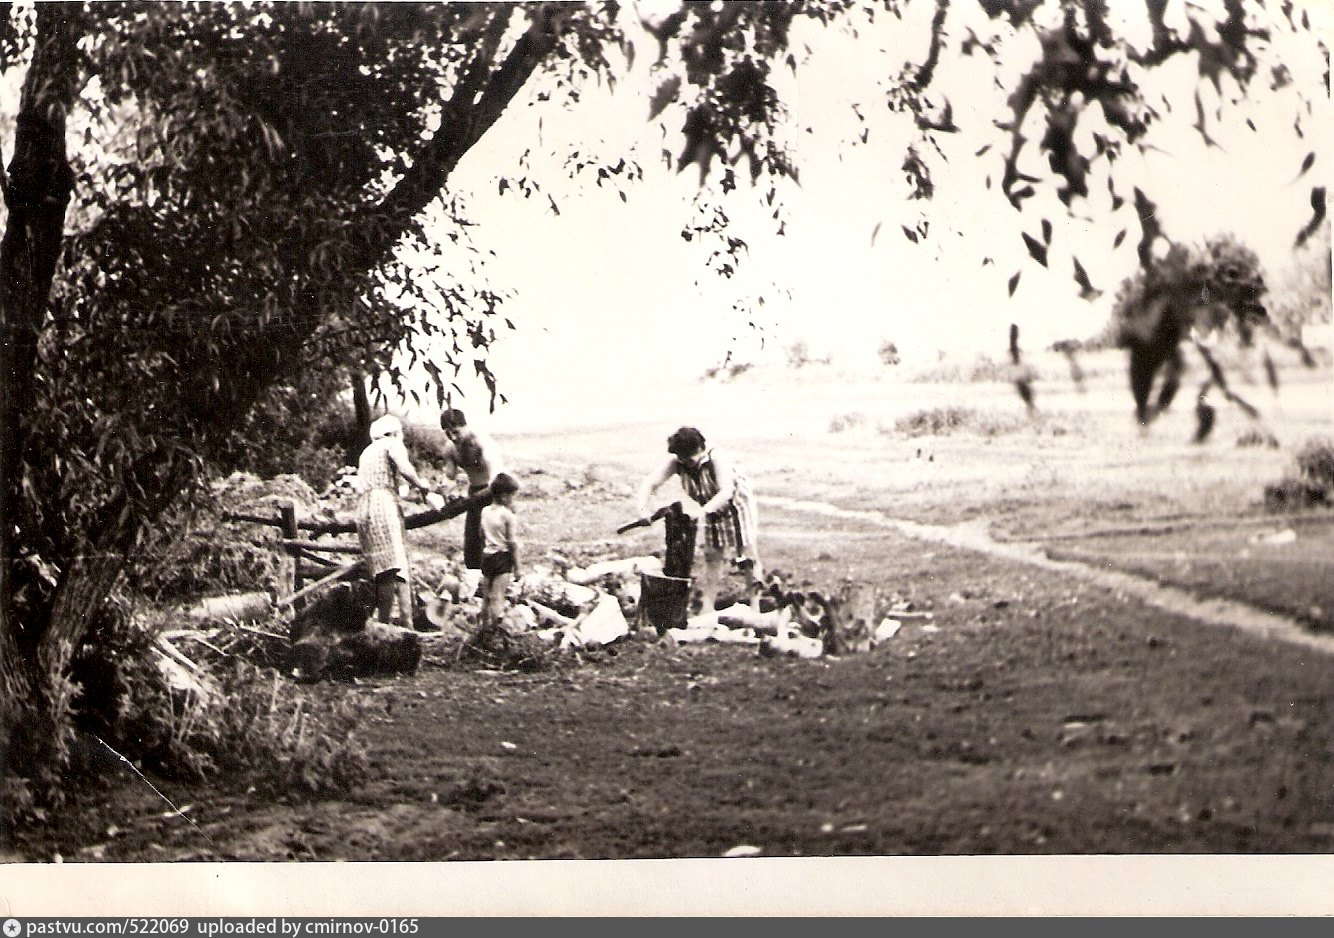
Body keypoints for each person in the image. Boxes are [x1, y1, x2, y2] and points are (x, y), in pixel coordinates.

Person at [636, 426, 764, 618]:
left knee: (746, 556)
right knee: (712, 556)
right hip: (711, 508)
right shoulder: (677, 463)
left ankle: (755, 609)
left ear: (700, 449)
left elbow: (726, 492)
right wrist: (642, 510)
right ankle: (707, 607)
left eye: (690, 458)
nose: (686, 464)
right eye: (682, 459)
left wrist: (702, 512)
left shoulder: (716, 459)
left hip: (735, 506)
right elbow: (650, 483)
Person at [355, 414, 438, 629]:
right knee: (390, 567)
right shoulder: (391, 444)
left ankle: (405, 622)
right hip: (382, 504)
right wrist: (422, 486)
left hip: (364, 507)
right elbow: (405, 468)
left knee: (387, 564)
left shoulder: (367, 452)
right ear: (393, 433)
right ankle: (384, 625)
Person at [439, 408, 507, 596]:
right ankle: (472, 586)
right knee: (472, 541)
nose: (453, 437)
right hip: (474, 491)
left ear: (465, 426)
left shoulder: (481, 442)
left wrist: (489, 498)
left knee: (494, 540)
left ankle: (496, 584)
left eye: (456, 431)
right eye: (448, 433)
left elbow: (497, 474)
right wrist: (447, 491)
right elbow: (450, 476)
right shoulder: (450, 448)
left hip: (493, 490)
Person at [478, 472, 521, 631]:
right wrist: (517, 567)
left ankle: (483, 630)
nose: (513, 500)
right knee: (497, 597)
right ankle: (496, 632)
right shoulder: (508, 516)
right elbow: (512, 543)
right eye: (512, 496)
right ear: (503, 496)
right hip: (502, 557)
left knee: (486, 597)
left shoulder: (485, 511)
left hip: (487, 555)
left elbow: (481, 534)